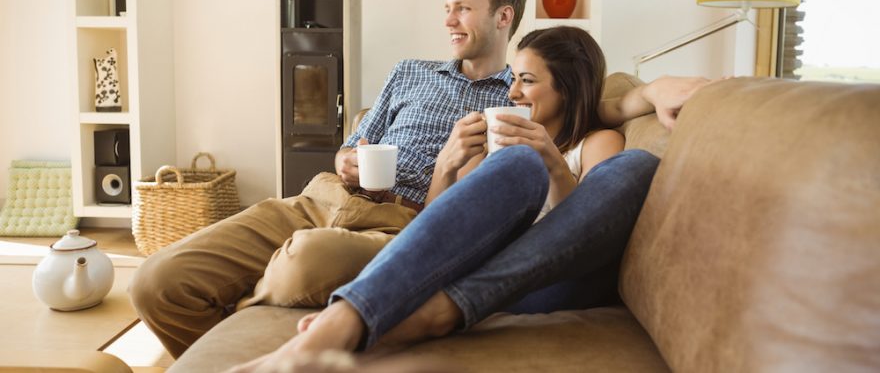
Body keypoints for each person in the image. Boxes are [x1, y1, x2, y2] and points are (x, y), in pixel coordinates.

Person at [130, 0, 707, 359]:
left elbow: (592, 103)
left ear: (503, 17)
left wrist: (648, 93)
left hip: (404, 220)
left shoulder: (520, 97)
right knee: (158, 282)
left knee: (301, 265)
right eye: (447, 8)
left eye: (463, 8)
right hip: (324, 198)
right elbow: (356, 139)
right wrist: (349, 158)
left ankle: (303, 330)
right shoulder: (409, 72)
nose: (449, 19)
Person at [227, 26, 666, 372]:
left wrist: (552, 161)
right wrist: (447, 165)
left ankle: (427, 313)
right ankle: (349, 322)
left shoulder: (598, 142)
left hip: (548, 281)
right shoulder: (502, 150)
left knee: (635, 167)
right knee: (518, 166)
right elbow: (434, 228)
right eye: (513, 78)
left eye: (527, 81)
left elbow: (589, 229)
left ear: (567, 88)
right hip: (487, 270)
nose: (512, 93)